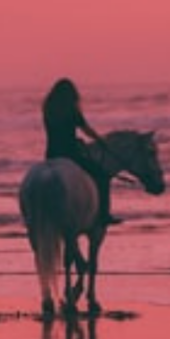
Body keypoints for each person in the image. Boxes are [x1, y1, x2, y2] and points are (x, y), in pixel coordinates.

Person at [41, 77, 118, 228]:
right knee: (102, 175)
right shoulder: (71, 109)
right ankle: (103, 214)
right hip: (70, 154)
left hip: (51, 155)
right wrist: (100, 140)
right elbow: (86, 129)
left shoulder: (48, 108)